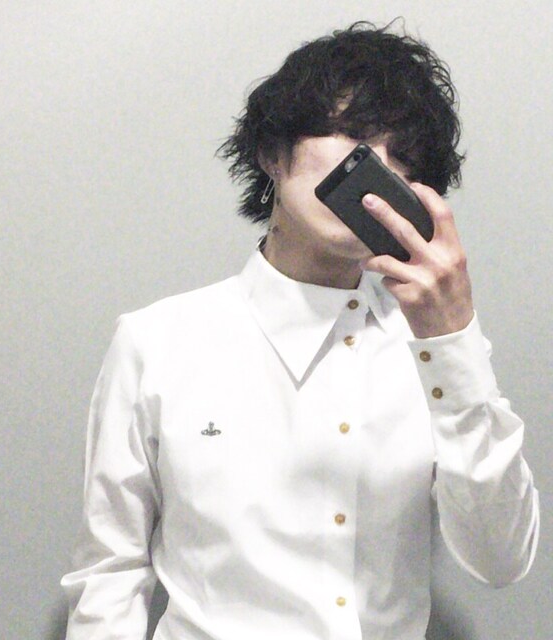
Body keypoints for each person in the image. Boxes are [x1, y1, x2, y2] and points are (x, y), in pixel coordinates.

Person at [61, 21, 539, 640]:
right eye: (353, 136)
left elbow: (500, 561)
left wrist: (452, 342)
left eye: (402, 156)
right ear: (272, 152)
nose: (375, 169)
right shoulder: (158, 343)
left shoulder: (436, 352)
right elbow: (109, 575)